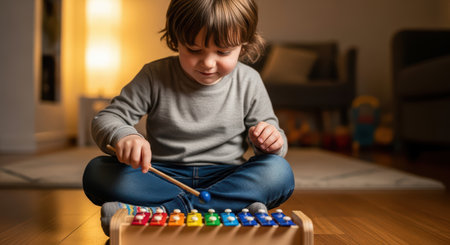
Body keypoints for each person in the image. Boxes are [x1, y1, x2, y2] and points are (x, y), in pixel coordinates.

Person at [82, 0, 295, 236]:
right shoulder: (154, 75)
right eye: (194, 50)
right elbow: (108, 118)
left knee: (278, 171)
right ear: (176, 39)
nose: (207, 63)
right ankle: (230, 209)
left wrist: (271, 141)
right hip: (161, 176)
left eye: (223, 52)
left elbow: (276, 142)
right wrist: (126, 136)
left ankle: (164, 212)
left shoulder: (250, 81)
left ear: (243, 46)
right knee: (96, 173)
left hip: (226, 176)